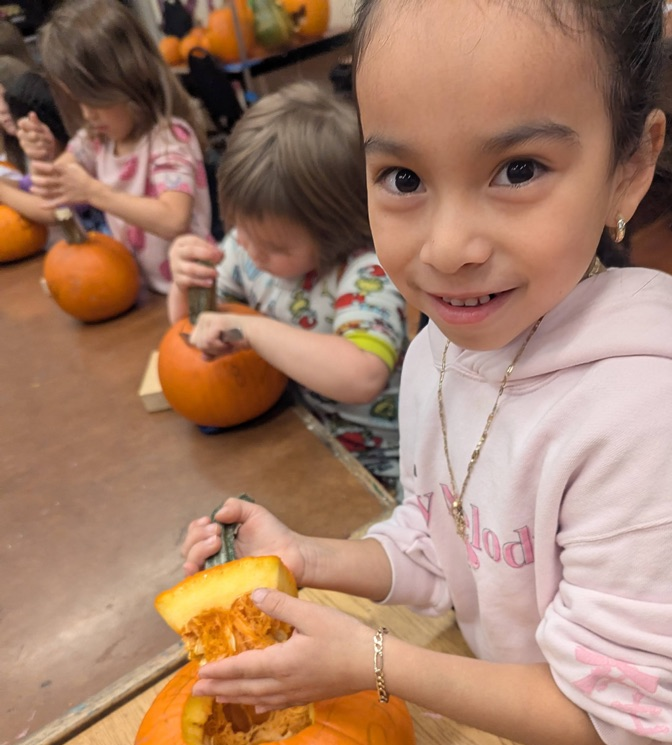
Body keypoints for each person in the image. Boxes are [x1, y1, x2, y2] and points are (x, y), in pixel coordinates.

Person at [179, 0, 672, 745]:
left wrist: (375, 661)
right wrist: (306, 556)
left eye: (517, 169)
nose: (446, 247)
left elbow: (624, 716)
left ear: (630, 166)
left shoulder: (648, 417)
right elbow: (450, 545)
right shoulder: (436, 356)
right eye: (403, 179)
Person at [168, 80, 405, 493]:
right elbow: (192, 338)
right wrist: (184, 285)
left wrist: (253, 331)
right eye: (240, 229)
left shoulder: (368, 271)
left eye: (275, 246)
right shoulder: (247, 248)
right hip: (299, 436)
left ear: (337, 229)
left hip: (380, 468)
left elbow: (361, 374)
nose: (250, 251)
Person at [27, 0, 211, 292]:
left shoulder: (170, 139)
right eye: (78, 100)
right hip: (140, 293)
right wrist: (42, 157)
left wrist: (93, 192)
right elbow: (52, 192)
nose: (88, 114)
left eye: (95, 100)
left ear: (129, 80)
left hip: (191, 294)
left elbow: (173, 219)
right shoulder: (97, 140)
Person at [0, 68, 71, 226]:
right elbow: (26, 186)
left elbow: (55, 211)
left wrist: (2, 191)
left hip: (103, 247)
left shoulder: (75, 158)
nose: (2, 110)